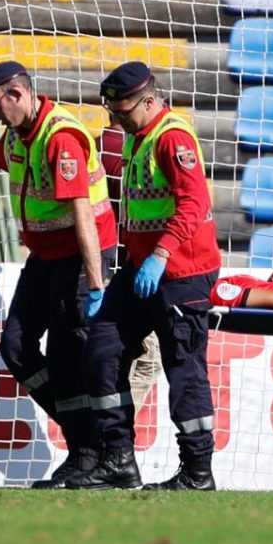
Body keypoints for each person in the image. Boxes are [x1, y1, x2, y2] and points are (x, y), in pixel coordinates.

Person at [0, 61, 117, 489]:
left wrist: (95, 283)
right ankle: (84, 437)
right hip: (46, 256)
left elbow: (83, 214)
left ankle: (89, 452)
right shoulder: (19, 133)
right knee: (15, 346)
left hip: (80, 255)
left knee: (67, 357)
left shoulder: (61, 138)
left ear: (16, 94)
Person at [67, 61, 221, 491]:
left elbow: (194, 204)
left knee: (184, 370)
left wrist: (161, 254)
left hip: (182, 273)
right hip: (140, 272)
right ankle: (118, 458)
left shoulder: (172, 138)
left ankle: (197, 472)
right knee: (101, 349)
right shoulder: (139, 137)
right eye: (112, 112)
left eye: (123, 111)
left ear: (149, 101)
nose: (117, 120)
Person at [97, 115, 163, 414]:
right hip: (134, 273)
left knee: (110, 361)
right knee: (146, 360)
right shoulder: (141, 151)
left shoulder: (93, 148)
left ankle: (107, 431)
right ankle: (113, 433)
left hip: (98, 270)